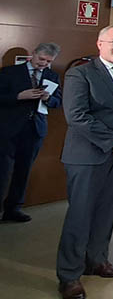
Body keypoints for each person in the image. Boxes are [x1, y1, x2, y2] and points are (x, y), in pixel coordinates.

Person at [56, 26, 113, 299]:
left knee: (107, 213)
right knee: (80, 216)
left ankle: (97, 260)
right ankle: (69, 275)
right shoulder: (80, 72)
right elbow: (77, 116)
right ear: (100, 44)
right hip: (86, 157)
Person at [0, 42, 62, 222]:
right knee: (3, 172)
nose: (43, 63)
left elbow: (59, 102)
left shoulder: (52, 76)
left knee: (24, 171)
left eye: (48, 61)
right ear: (33, 54)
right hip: (9, 130)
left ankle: (13, 209)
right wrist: (19, 96)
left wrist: (49, 98)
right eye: (41, 59)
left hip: (35, 129)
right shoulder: (9, 72)